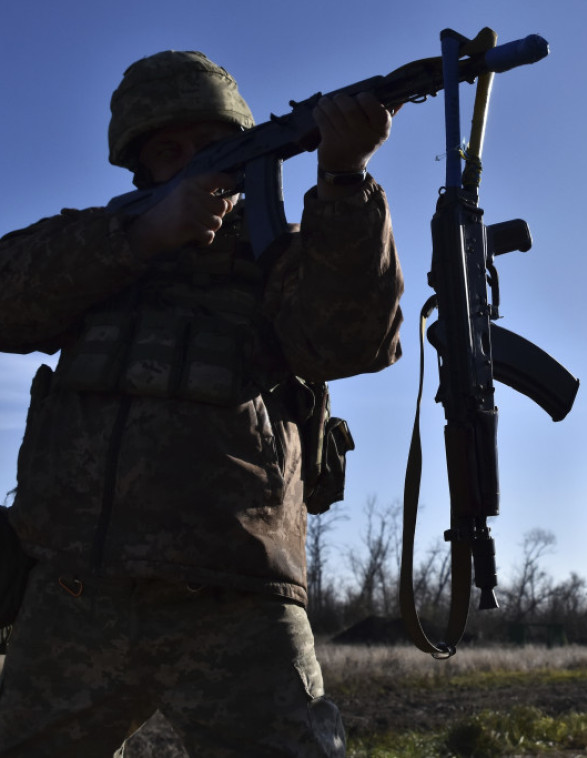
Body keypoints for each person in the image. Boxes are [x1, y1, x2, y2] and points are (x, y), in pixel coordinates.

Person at [0, 50, 403, 756]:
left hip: (240, 598)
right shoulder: (96, 246)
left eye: (210, 145)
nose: (193, 162)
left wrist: (344, 179)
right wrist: (143, 236)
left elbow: (352, 343)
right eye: (170, 151)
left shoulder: (282, 257)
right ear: (140, 167)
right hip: (77, 589)